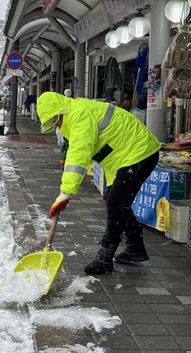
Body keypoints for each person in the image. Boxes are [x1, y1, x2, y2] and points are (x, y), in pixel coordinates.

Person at [37, 92, 161, 274]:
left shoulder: (79, 115)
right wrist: (67, 158)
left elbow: (80, 152)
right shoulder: (73, 115)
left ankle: (105, 257)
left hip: (140, 151)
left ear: (60, 111)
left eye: (54, 119)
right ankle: (135, 248)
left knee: (116, 203)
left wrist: (65, 193)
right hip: (121, 157)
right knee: (115, 200)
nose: (55, 124)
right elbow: (83, 147)